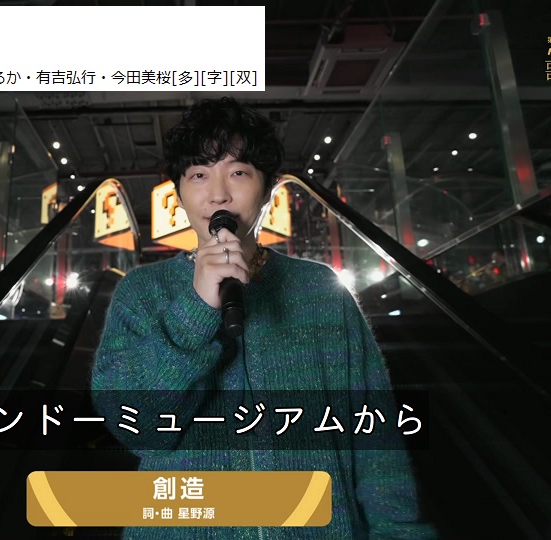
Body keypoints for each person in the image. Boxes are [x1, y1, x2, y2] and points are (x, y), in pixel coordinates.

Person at [91, 97, 434, 539]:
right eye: (198, 175)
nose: (218, 193)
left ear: (268, 190)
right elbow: (135, 426)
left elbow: (375, 434)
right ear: (179, 193)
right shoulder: (141, 291)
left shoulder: (320, 289)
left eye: (238, 172)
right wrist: (196, 309)